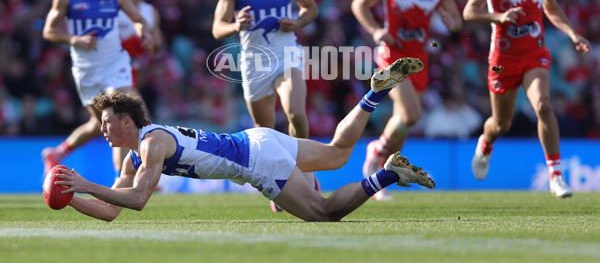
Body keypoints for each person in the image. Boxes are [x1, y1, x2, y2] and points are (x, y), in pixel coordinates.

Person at [52, 58, 435, 222]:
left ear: (126, 121)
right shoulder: (136, 156)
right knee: (337, 155)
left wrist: (84, 183)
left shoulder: (151, 145)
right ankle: (374, 95)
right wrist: (73, 198)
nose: (101, 131)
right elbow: (111, 210)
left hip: (256, 161)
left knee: (324, 212)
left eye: (105, 123)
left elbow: (136, 201)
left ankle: (387, 175)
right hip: (257, 139)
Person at [462, 0, 591, 198]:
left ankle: (556, 176)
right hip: (502, 58)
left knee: (544, 105)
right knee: (501, 124)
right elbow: (469, 12)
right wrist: (498, 16)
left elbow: (552, 8)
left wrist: (572, 33)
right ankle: (485, 143)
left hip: (535, 54)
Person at [212, 0, 319, 212]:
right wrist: (236, 24)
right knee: (265, 129)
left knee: (295, 112)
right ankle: (280, 187)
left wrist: (296, 23)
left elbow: (310, 7)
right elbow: (217, 28)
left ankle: (306, 172)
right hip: (253, 61)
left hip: (286, 54)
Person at [351, 0, 462, 200]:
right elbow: (359, 4)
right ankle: (377, 154)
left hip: (419, 58)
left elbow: (457, 22)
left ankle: (381, 173)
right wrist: (376, 30)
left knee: (403, 120)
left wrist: (451, 22)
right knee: (411, 114)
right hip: (391, 54)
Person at [41, 0, 155, 177]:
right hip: (87, 72)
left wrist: (143, 30)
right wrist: (75, 39)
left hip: (115, 64)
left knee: (123, 116)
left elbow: (137, 18)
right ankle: (57, 153)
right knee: (101, 125)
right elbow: (49, 31)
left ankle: (125, 181)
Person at [115, 0, 163, 173]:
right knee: (137, 121)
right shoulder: (114, 10)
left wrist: (151, 40)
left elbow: (158, 42)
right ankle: (129, 176)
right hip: (113, 73)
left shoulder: (150, 12)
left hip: (133, 72)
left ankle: (59, 152)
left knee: (124, 125)